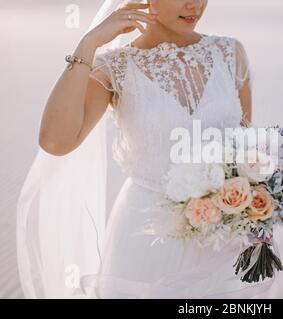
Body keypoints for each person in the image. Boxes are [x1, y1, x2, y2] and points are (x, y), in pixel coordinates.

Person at [17, 0, 260, 298]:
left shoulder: (229, 53)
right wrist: (88, 44)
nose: (195, 4)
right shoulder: (116, 66)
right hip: (146, 235)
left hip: (222, 236)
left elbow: (246, 149)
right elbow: (55, 140)